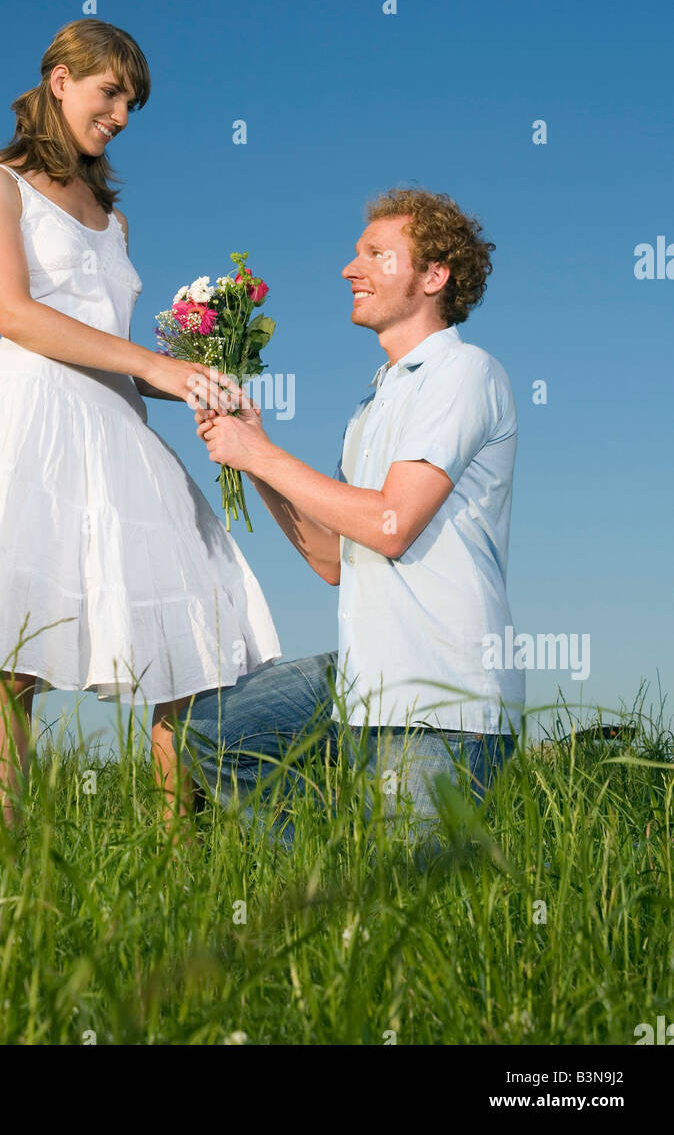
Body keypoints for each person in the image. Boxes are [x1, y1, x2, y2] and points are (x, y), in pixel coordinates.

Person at [0, 18, 280, 830]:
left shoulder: (112, 217)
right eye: (110, 93)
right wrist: (156, 365)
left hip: (114, 422)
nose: (119, 114)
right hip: (30, 420)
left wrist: (190, 386)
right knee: (12, 650)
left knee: (193, 630)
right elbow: (15, 314)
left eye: (130, 104)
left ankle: (176, 851)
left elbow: (107, 351)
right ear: (59, 81)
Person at [179, 187, 524, 857]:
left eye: (373, 253)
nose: (349, 268)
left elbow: (393, 522)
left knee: (412, 924)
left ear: (433, 276)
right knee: (212, 729)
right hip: (367, 680)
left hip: (439, 696)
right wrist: (253, 457)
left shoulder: (462, 371)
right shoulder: (374, 402)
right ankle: (328, 860)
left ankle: (355, 882)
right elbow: (334, 558)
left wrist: (265, 455)